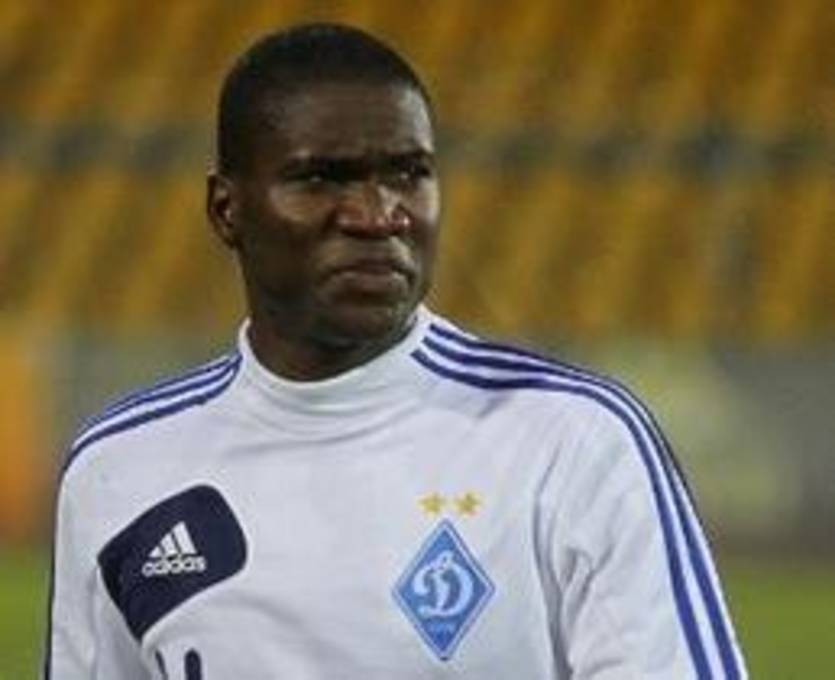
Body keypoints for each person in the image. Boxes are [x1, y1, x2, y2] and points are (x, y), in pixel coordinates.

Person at [45, 22, 747, 679]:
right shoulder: (120, 470)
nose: (378, 215)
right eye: (321, 178)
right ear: (227, 210)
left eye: (408, 173)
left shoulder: (571, 440)